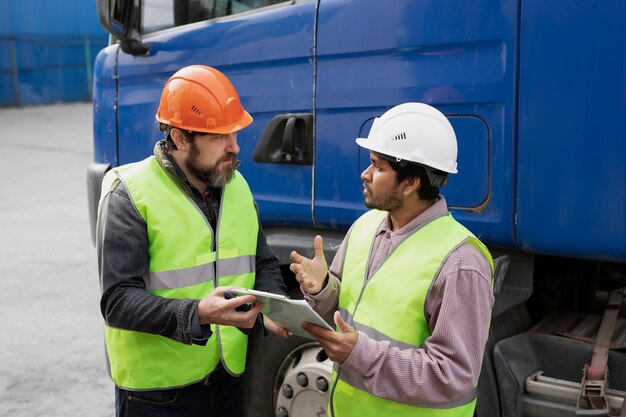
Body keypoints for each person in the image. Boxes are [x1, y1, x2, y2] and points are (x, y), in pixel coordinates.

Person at [96, 64, 288, 417]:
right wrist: (198, 314)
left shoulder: (237, 185)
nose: (234, 147)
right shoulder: (130, 195)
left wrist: (276, 306)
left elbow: (261, 262)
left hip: (226, 379)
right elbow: (118, 301)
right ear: (180, 138)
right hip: (156, 396)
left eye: (234, 133)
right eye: (219, 137)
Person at [290, 102, 494, 417]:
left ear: (410, 182)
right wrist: (323, 289)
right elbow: (347, 316)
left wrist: (361, 354)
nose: (365, 174)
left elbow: (453, 375)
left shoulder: (460, 262)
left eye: (378, 166)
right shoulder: (365, 226)